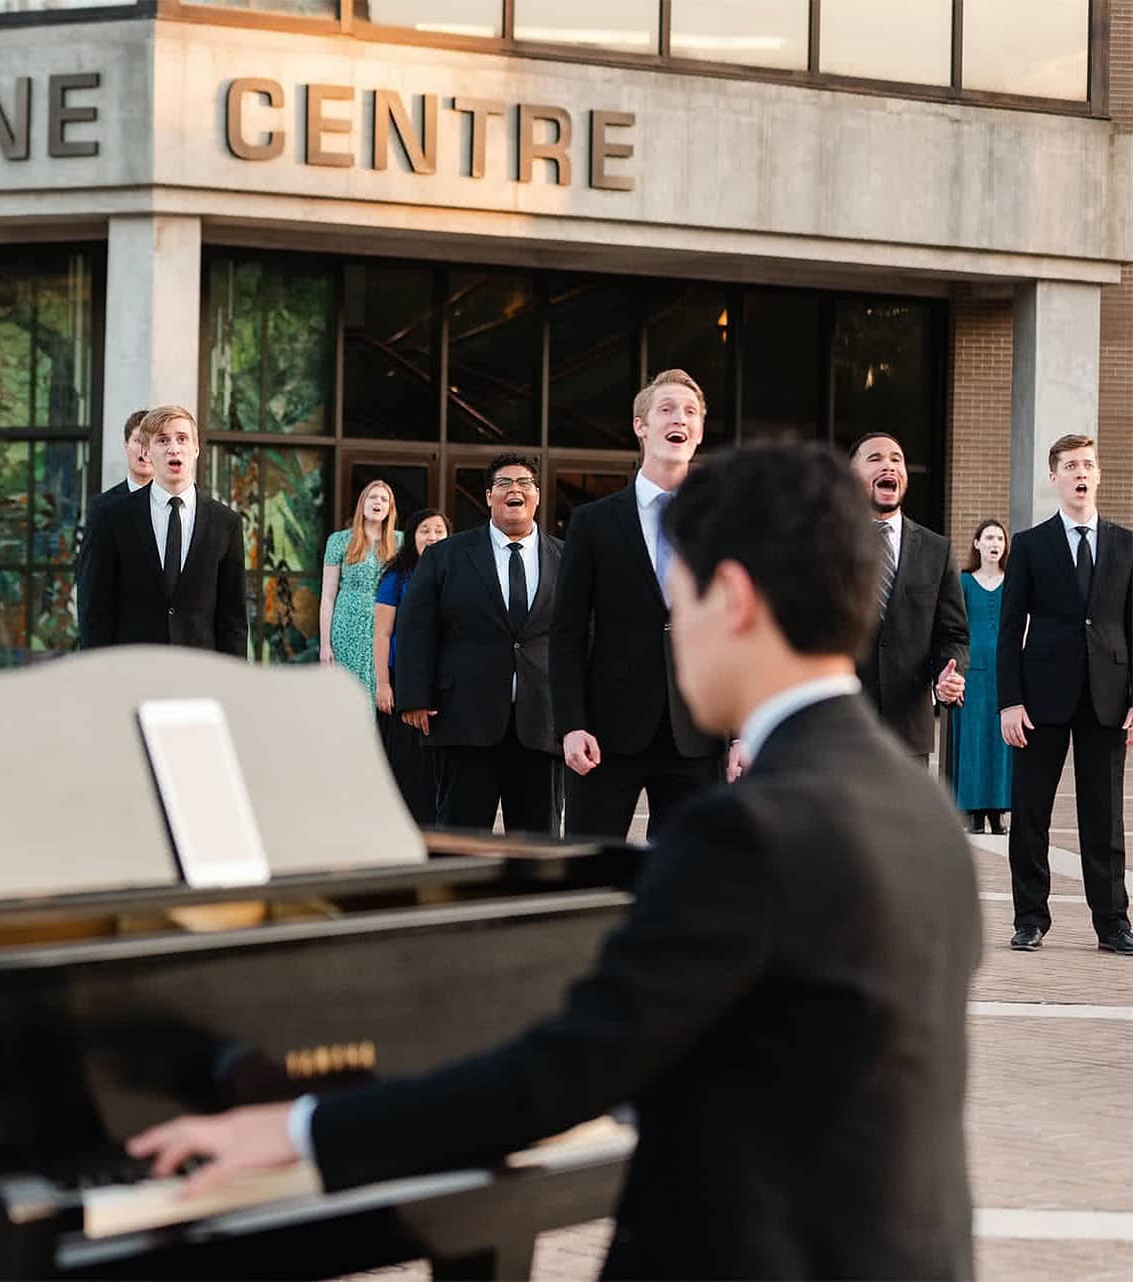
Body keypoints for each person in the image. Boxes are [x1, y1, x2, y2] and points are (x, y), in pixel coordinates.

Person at [129, 443, 982, 1281]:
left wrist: (298, 1129)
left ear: (732, 599)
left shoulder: (747, 834)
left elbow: (556, 1077)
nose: (672, 629)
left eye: (676, 600)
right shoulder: (922, 813)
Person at [550, 369, 722, 840]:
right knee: (584, 878)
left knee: (686, 882)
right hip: (606, 735)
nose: (679, 418)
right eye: (665, 409)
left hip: (698, 733)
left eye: (689, 412)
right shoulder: (593, 522)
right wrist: (571, 725)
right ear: (640, 426)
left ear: (700, 432)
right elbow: (565, 633)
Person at [997, 434, 1132, 956]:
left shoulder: (1125, 544)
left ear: (1099, 476)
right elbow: (1010, 629)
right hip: (1039, 699)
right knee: (1031, 813)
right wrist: (1010, 701)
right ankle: (1030, 918)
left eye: (1089, 465)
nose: (1081, 472)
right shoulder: (1030, 544)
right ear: (1053, 477)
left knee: (1106, 816)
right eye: (1071, 465)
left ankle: (1113, 924)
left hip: (1108, 697)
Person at [396, 457, 562, 834]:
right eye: (504, 483)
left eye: (524, 483)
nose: (514, 490)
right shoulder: (446, 556)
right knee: (460, 839)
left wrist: (580, 713)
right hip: (464, 720)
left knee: (538, 845)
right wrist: (414, 696)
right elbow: (416, 627)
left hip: (542, 723)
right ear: (489, 496)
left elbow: (580, 636)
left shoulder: (565, 557)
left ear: (537, 495)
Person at [80, 404, 248, 656]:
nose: (174, 448)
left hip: (199, 673)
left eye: (182, 439)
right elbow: (95, 608)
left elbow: (233, 617)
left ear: (196, 449)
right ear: (147, 452)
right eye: (162, 440)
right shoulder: (112, 516)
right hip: (132, 671)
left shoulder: (226, 523)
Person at [849, 433, 969, 761]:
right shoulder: (827, 543)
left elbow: (953, 633)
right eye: (874, 459)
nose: (888, 465)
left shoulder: (937, 550)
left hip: (908, 732)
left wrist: (949, 672)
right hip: (841, 728)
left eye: (896, 459)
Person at [373, 507, 450, 824]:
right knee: (406, 766)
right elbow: (382, 632)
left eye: (439, 531)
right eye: (425, 530)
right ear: (411, 537)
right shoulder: (397, 575)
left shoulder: (458, 572)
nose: (432, 537)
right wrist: (383, 684)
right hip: (401, 680)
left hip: (446, 682)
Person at [954, 520, 1012, 834]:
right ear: (977, 543)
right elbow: (953, 628)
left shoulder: (1013, 581)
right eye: (988, 537)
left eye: (1000, 538)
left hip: (1004, 670)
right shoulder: (963, 581)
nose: (994, 543)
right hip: (971, 671)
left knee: (1001, 740)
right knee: (973, 739)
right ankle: (973, 811)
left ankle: (997, 810)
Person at [319, 479, 399, 700]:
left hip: (385, 628)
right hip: (346, 627)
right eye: (373, 497)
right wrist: (325, 644)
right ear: (362, 504)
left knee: (381, 697)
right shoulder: (339, 541)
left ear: (389, 509)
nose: (378, 502)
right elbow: (327, 596)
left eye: (384, 499)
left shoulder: (399, 542)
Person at [77, 409, 152, 637]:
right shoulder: (103, 510)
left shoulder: (180, 507)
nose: (144, 450)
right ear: (126, 445)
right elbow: (91, 595)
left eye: (151, 442)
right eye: (138, 441)